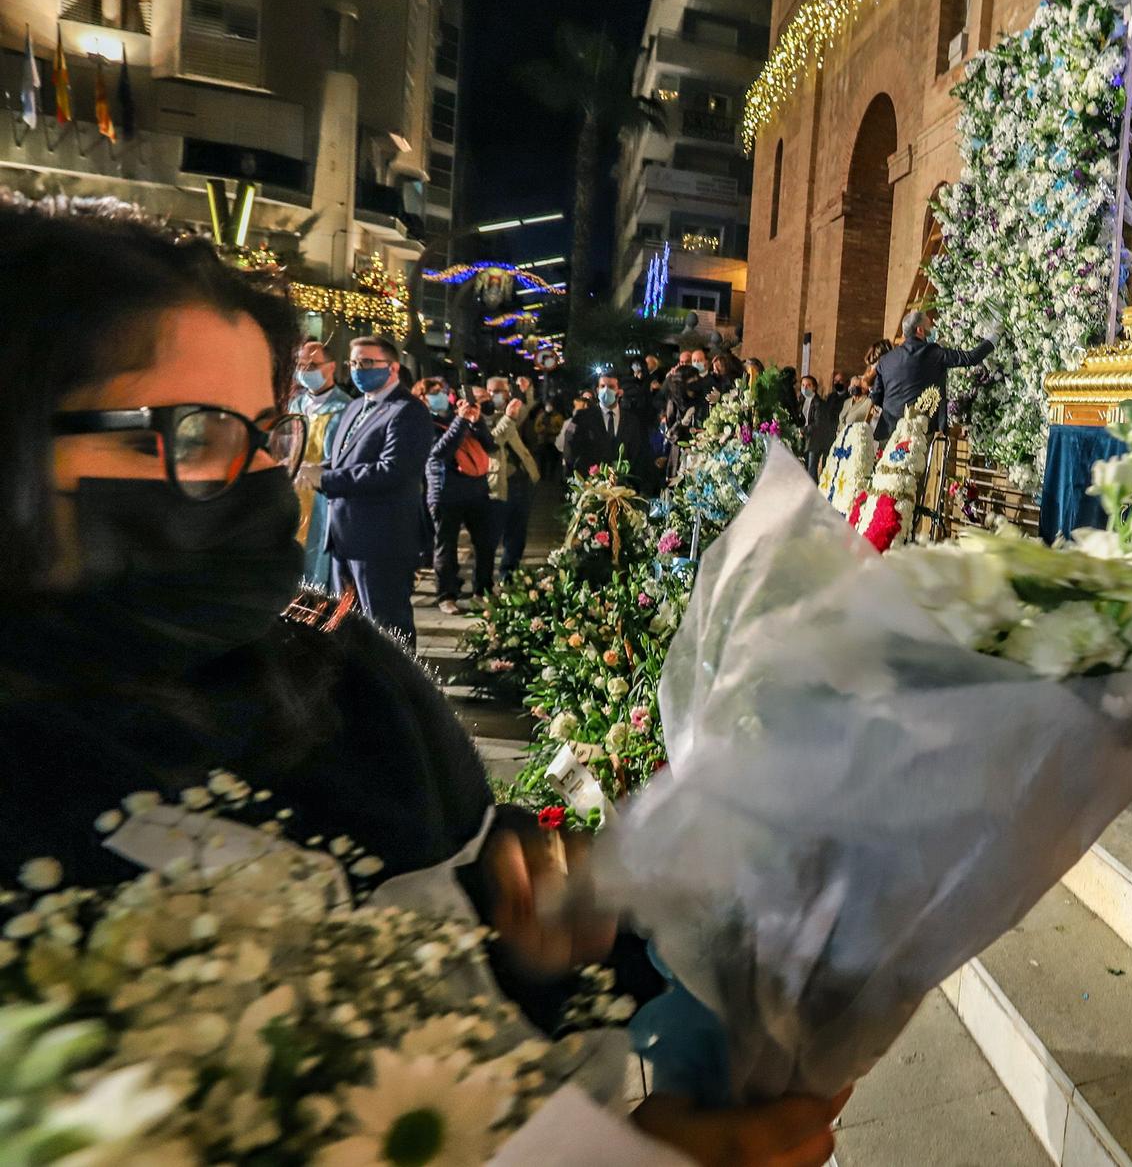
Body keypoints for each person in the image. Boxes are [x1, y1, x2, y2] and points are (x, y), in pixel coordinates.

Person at [0, 208, 845, 1164]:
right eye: (189, 434)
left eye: (265, 434)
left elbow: (469, 948)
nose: (251, 482)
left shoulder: (340, 670)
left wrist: (535, 938)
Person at [318, 334, 431, 644]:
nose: (358, 369)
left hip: (382, 539)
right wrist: (315, 470)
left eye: (367, 362)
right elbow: (341, 461)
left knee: (387, 628)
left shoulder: (408, 411)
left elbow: (392, 471)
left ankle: (400, 688)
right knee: (350, 626)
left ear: (392, 367)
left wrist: (326, 480)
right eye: (353, 363)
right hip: (344, 536)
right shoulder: (355, 407)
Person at [870, 309, 995, 442]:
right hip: (917, 435)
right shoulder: (932, 352)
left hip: (888, 432)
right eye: (928, 326)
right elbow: (971, 358)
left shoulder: (886, 360)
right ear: (920, 330)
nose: (931, 330)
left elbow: (876, 396)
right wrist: (995, 336)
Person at [288, 339, 352, 589]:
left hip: (324, 496)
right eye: (301, 365)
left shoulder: (345, 407)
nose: (305, 371)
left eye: (312, 364)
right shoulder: (296, 405)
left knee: (319, 566)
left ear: (331, 367)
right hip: (295, 491)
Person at [427, 388, 497, 617]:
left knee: (486, 544)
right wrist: (461, 421)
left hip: (476, 491)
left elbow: (490, 446)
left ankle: (483, 590)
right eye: (432, 392)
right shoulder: (425, 421)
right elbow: (439, 452)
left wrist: (476, 422)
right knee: (446, 547)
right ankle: (446, 595)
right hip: (446, 494)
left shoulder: (464, 419)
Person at [485, 375, 542, 579]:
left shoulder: (514, 411)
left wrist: (527, 392)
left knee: (517, 532)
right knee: (491, 533)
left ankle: (508, 574)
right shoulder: (483, 414)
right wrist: (508, 418)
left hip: (521, 480)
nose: (495, 395)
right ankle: (483, 581)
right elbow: (493, 440)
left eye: (499, 391)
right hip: (496, 482)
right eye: (491, 391)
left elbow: (526, 410)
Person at [569, 371, 651, 479]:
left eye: (611, 387)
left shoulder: (632, 420)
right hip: (592, 484)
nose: (606, 390)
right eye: (602, 386)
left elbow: (638, 452)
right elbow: (573, 449)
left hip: (624, 484)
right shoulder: (583, 418)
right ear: (597, 390)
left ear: (620, 392)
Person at [799, 374, 839, 477]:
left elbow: (818, 424)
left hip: (813, 441)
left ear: (814, 387)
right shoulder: (802, 401)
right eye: (803, 385)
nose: (805, 388)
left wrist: (803, 430)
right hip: (803, 439)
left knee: (811, 471)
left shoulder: (819, 403)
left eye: (808, 385)